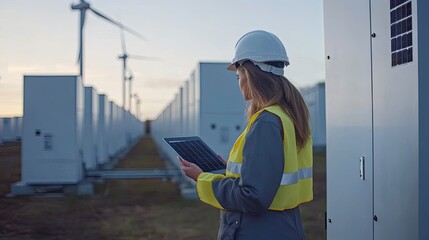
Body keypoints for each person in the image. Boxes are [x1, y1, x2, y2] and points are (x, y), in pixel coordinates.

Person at [178, 30, 313, 240]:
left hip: (259, 230)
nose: (238, 82)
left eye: (238, 75)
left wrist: (202, 178)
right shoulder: (288, 115)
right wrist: (229, 171)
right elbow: (269, 177)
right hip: (283, 226)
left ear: (249, 73)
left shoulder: (267, 122)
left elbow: (253, 198)